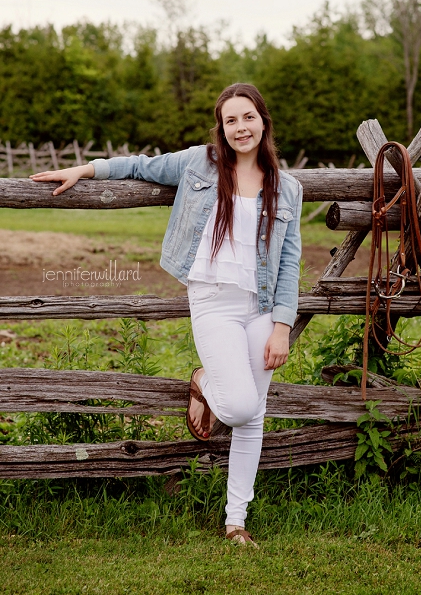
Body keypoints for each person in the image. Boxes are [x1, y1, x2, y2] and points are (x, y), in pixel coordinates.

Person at [30, 83, 303, 547]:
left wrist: (282, 326)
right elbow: (137, 165)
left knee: (253, 416)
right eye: (231, 120)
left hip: (259, 306)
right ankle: (206, 382)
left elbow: (291, 261)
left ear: (264, 121)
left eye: (248, 118)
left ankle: (236, 520)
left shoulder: (288, 188)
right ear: (221, 126)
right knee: (237, 406)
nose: (240, 128)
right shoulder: (199, 163)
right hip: (213, 301)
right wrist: (83, 169)